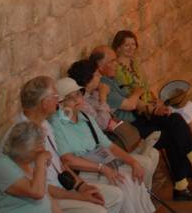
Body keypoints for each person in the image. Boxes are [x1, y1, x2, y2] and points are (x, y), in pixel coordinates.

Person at [91, 47, 192, 202]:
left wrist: (153, 109)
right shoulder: (103, 87)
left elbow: (137, 103)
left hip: (139, 118)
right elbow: (130, 104)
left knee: (175, 118)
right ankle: (186, 179)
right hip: (130, 130)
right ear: (99, 65)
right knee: (171, 135)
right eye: (111, 61)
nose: (116, 64)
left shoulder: (110, 80)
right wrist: (138, 91)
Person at [0, 77, 122, 213]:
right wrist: (79, 196)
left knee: (115, 195)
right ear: (43, 102)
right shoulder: (19, 137)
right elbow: (36, 188)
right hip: (44, 199)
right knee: (98, 210)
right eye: (55, 96)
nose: (58, 101)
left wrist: (81, 186)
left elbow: (60, 164)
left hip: (63, 186)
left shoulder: (45, 125)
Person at [109, 31, 192, 160]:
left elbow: (145, 88)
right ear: (118, 47)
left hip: (151, 103)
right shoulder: (117, 70)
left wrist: (156, 99)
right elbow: (131, 95)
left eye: (133, 44)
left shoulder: (135, 64)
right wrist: (152, 106)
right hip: (143, 111)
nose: (131, 48)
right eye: (127, 45)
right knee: (179, 116)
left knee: (189, 107)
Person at [48, 78, 154, 213]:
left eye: (78, 94)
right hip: (81, 171)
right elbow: (67, 160)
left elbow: (108, 144)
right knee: (125, 180)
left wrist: (133, 162)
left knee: (133, 176)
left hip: (100, 161)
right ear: (60, 103)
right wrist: (101, 168)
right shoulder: (56, 124)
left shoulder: (85, 117)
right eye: (70, 97)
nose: (77, 99)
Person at [66, 60, 159, 190]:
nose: (100, 77)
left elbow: (108, 115)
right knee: (146, 162)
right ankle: (143, 191)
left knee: (153, 153)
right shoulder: (83, 103)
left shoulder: (95, 93)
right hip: (107, 143)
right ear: (88, 79)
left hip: (113, 137)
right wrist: (103, 99)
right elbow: (103, 123)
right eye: (97, 75)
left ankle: (145, 192)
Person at [0, 121, 58, 213]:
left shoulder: (29, 160)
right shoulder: (2, 166)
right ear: (25, 147)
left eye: (42, 143)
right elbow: (38, 192)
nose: (43, 150)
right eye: (39, 145)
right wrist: (41, 161)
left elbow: (46, 195)